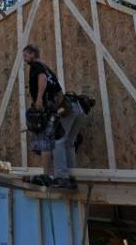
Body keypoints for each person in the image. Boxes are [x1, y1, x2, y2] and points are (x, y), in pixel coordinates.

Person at [23, 44, 89, 189]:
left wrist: (39, 99)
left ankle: (61, 178)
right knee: (68, 143)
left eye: (26, 55)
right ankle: (71, 179)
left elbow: (42, 79)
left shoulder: (36, 67)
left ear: (32, 54)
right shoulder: (47, 69)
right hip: (76, 109)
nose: (24, 58)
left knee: (57, 141)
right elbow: (56, 90)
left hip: (66, 109)